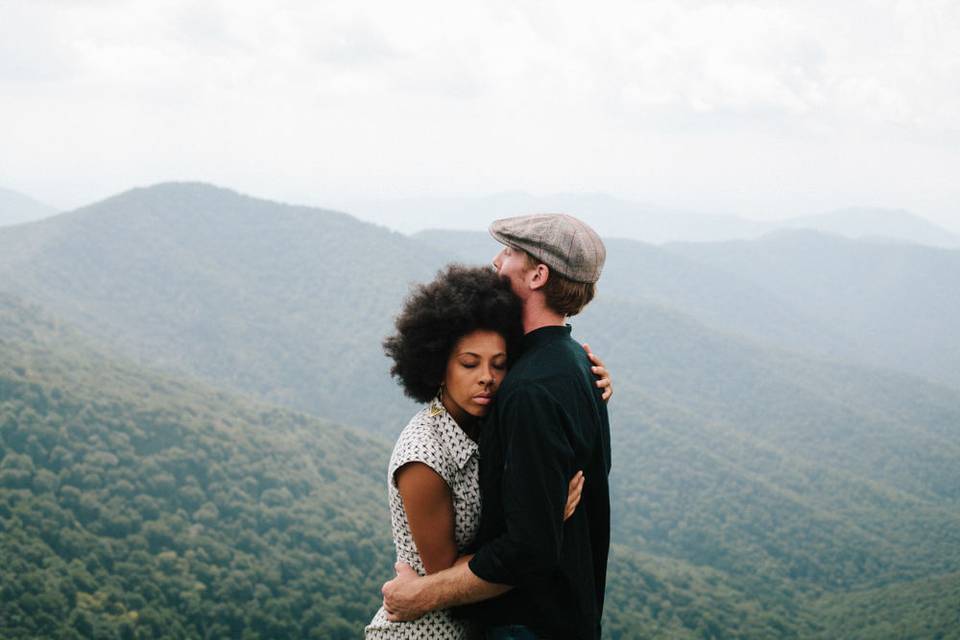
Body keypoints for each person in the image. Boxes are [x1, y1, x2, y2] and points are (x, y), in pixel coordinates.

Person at [381, 214, 611, 639]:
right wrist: (547, 513)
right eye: (470, 363)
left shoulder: (529, 390)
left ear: (538, 274)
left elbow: (529, 549)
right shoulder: (576, 364)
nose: (496, 260)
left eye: (509, 252)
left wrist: (418, 596)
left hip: (527, 625)